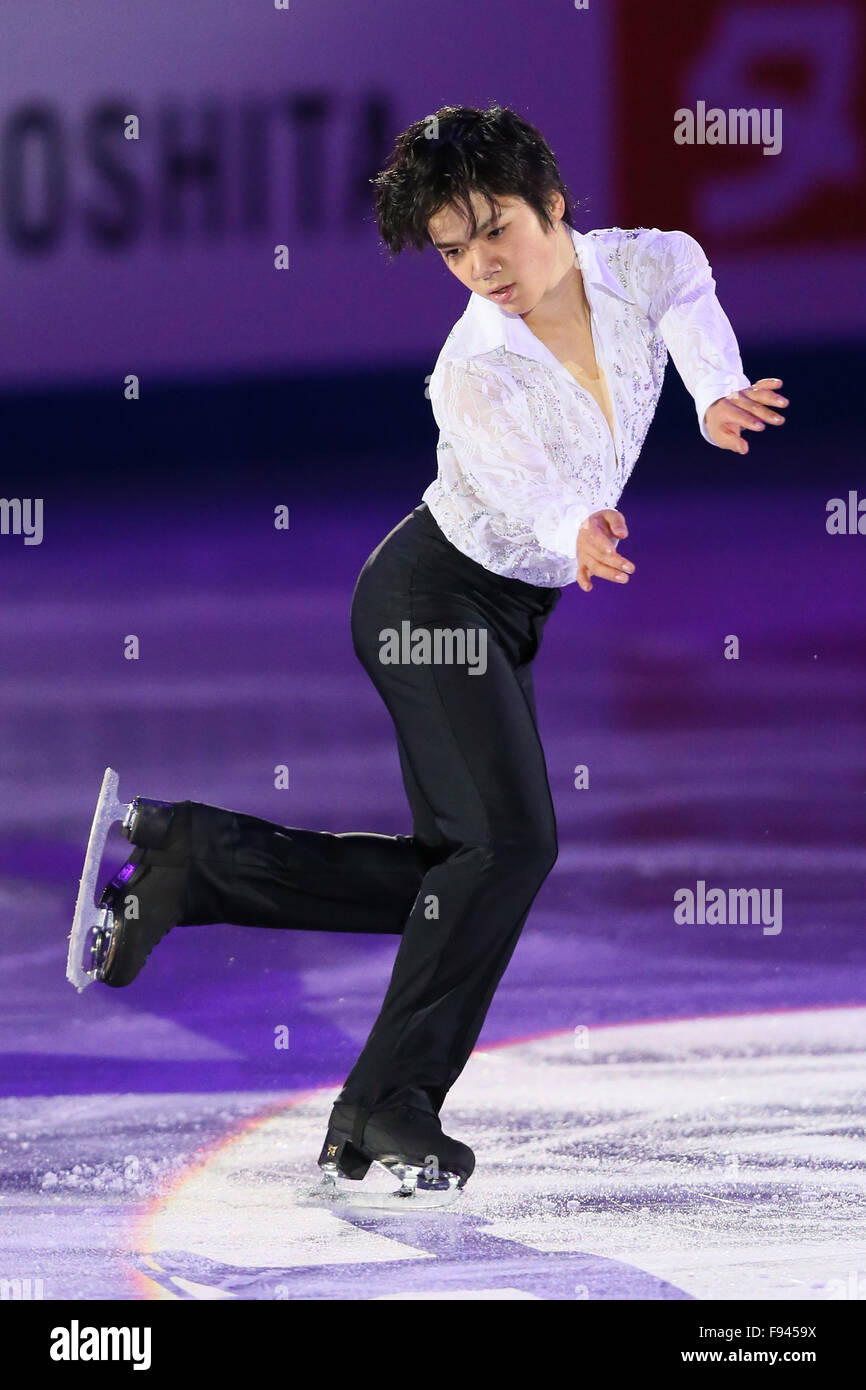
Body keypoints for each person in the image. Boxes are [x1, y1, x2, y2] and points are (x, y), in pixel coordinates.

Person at [91, 103, 788, 1192]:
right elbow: (524, 484)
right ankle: (385, 1104)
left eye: (493, 230)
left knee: (460, 869)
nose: (479, 266)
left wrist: (711, 394)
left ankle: (190, 862)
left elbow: (690, 294)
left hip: (505, 613)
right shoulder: (472, 367)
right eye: (452, 250)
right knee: (506, 849)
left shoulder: (643, 265)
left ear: (551, 205)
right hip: (431, 600)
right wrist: (576, 527)